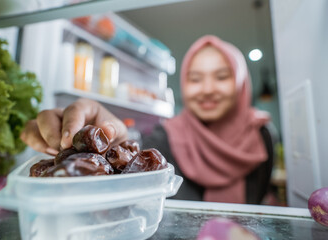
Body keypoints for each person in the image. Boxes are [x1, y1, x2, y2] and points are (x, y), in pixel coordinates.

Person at [21, 35, 273, 204]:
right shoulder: (167, 136)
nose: (207, 88)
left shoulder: (261, 136)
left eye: (221, 76)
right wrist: (108, 141)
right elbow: (131, 151)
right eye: (195, 79)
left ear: (241, 83)